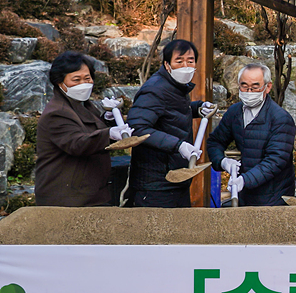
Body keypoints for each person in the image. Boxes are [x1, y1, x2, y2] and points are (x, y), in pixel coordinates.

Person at [127, 39, 216, 208]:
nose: (185, 66)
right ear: (167, 64)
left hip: (174, 179)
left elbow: (169, 113)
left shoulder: (176, 86)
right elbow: (137, 128)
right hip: (155, 184)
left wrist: (197, 108)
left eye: (190, 61)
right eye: (179, 61)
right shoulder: (155, 89)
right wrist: (178, 145)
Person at [35, 51, 131, 207]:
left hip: (89, 193)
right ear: (60, 83)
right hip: (67, 198)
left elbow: (91, 130)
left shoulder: (83, 104)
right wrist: (109, 134)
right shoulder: (57, 112)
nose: (83, 84)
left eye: (87, 78)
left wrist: (108, 119)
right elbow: (77, 143)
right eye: (76, 80)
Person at [207, 63, 296, 207]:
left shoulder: (280, 118)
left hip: (274, 196)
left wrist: (244, 180)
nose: (249, 91)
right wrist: (223, 161)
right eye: (244, 86)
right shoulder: (235, 112)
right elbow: (215, 141)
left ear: (267, 87)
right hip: (245, 194)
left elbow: (275, 160)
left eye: (255, 87)